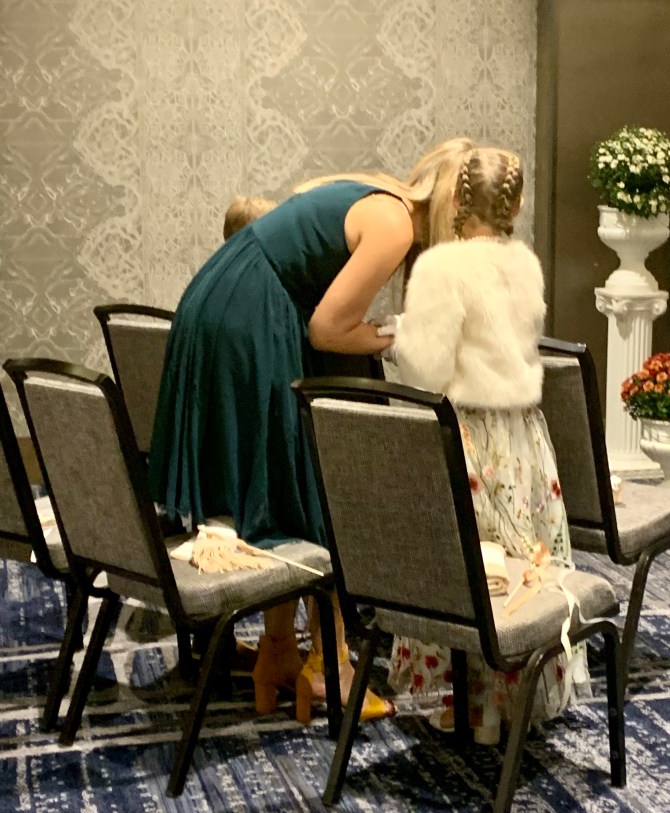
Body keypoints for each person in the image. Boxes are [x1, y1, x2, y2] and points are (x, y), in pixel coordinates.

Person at [148, 137, 476, 722]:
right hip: (253, 315)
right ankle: (329, 665)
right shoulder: (396, 224)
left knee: (287, 481)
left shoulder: (379, 193)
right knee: (310, 482)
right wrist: (400, 336)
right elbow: (328, 330)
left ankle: (280, 650)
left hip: (233, 300)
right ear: (457, 209)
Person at [384, 147, 587, 745]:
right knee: (519, 562)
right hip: (523, 436)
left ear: (453, 198)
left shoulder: (441, 269)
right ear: (516, 205)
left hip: (467, 435)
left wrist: (399, 339)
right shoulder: (526, 265)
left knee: (468, 567)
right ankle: (506, 702)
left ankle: (464, 700)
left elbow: (425, 368)